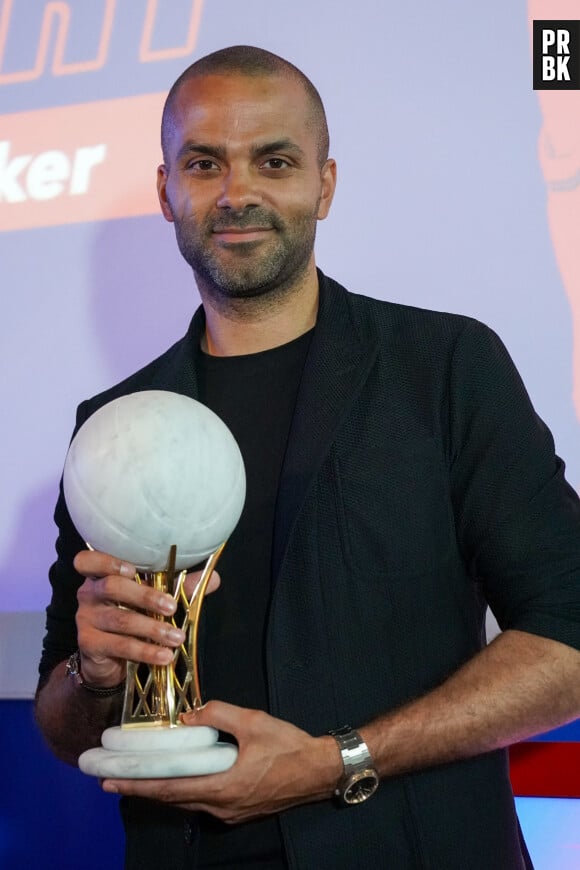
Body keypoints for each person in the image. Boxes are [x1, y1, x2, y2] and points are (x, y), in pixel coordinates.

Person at [35, 45, 580, 870]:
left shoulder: (444, 369)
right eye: (204, 162)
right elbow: (66, 726)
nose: (237, 192)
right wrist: (93, 672)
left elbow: (568, 638)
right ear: (166, 190)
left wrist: (337, 761)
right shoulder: (111, 425)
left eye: (275, 161)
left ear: (324, 184)